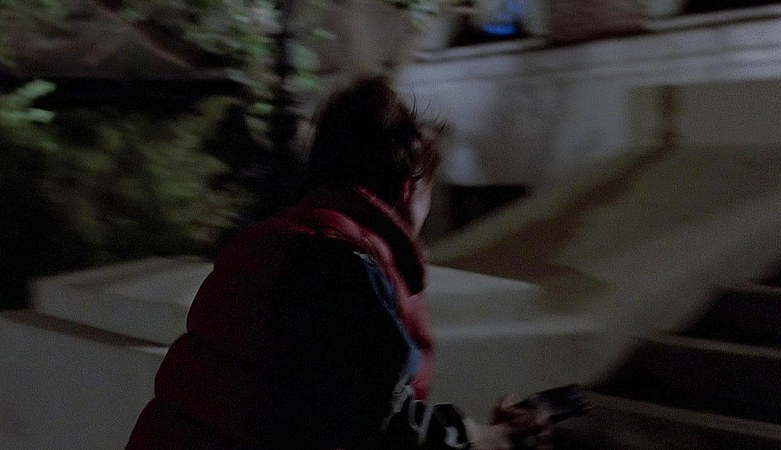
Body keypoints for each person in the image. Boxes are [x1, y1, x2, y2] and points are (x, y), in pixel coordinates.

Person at [127, 77, 552, 449]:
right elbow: (387, 429)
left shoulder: (275, 244)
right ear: (408, 189)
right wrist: (490, 438)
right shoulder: (341, 265)